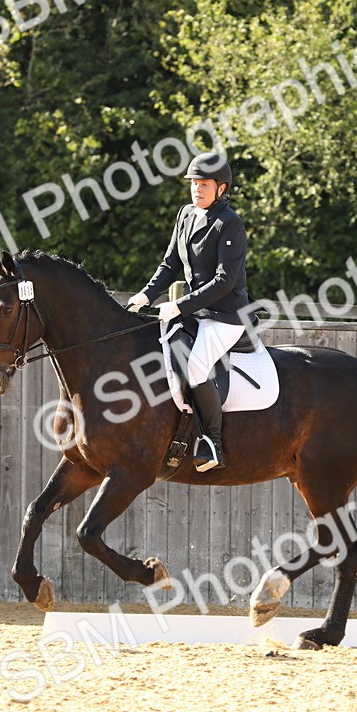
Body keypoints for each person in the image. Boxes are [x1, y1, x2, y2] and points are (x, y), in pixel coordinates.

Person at [126, 152, 253, 472]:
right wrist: (145, 294)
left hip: (226, 315)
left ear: (221, 189)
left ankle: (212, 442)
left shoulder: (230, 224)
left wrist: (179, 305)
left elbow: (224, 282)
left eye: (204, 184)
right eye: (194, 183)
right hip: (194, 312)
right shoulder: (185, 214)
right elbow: (169, 264)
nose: (197, 189)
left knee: (196, 367)